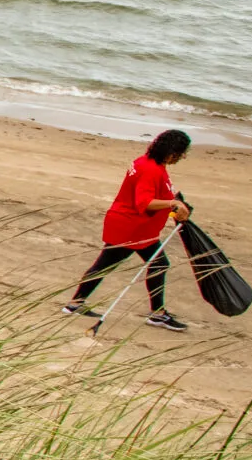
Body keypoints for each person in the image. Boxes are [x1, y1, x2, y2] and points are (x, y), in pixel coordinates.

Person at [64, 129, 192, 330]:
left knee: (157, 264)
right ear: (172, 151)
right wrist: (172, 204)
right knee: (108, 264)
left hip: (139, 228)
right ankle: (75, 303)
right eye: (182, 153)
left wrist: (174, 202)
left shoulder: (148, 162)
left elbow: (158, 191)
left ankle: (76, 303)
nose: (183, 157)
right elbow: (144, 202)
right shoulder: (150, 169)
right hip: (131, 228)